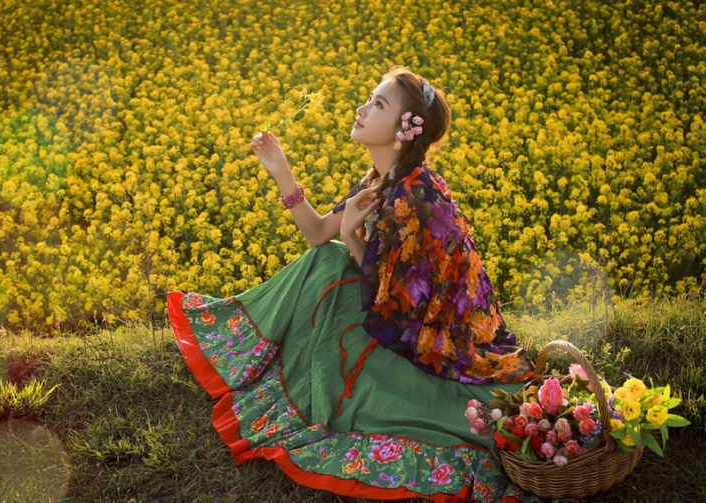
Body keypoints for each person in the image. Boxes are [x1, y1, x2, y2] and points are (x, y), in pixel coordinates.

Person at [167, 66, 539, 501]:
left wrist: (351, 237)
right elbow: (318, 233)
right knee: (325, 260)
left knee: (329, 265)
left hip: (436, 340)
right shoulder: (386, 178)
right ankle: (265, 355)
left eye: (378, 105)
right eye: (369, 98)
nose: (362, 109)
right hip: (403, 314)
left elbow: (397, 308)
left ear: (404, 130)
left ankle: (265, 357)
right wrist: (281, 172)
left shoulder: (413, 197)